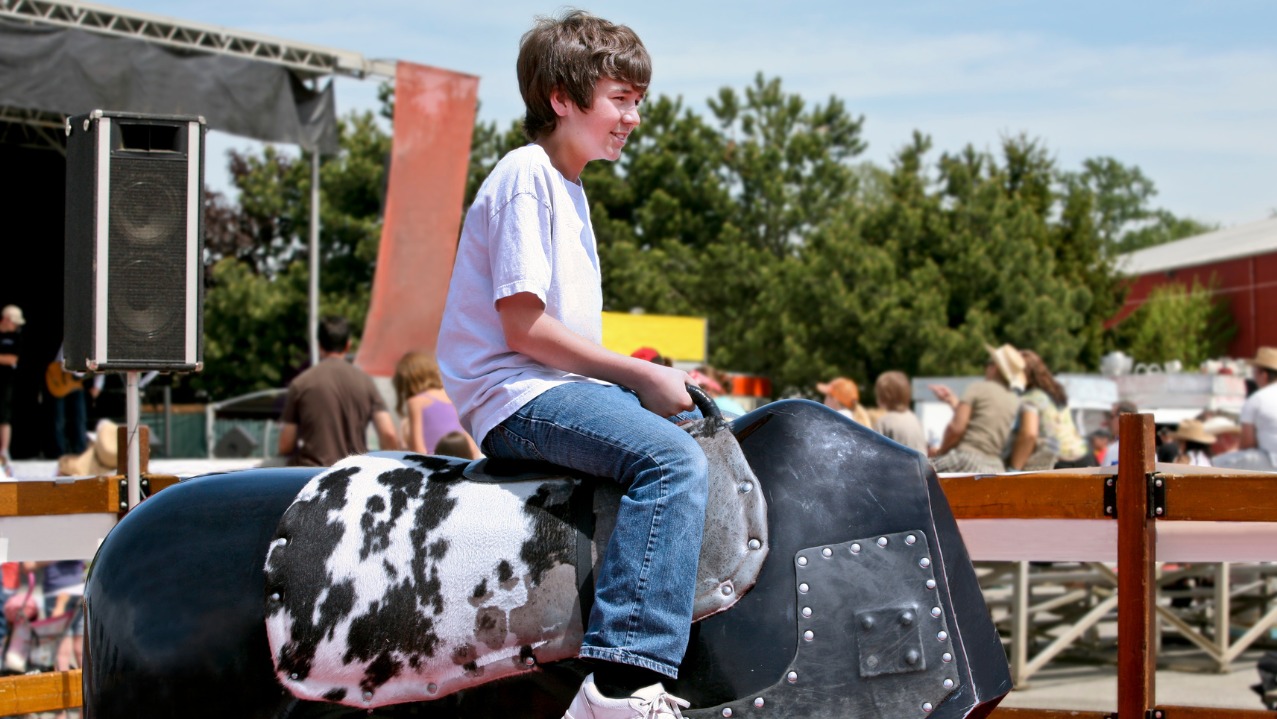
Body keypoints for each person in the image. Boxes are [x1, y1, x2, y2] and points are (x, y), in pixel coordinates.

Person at [436, 11, 704, 717]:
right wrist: (639, 373)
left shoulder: (568, 186)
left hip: (550, 386)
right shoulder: (527, 174)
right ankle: (616, 685)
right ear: (562, 98)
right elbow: (523, 327)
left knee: (708, 428)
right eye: (621, 97)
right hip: (514, 394)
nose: (633, 117)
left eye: (636, 101)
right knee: (671, 463)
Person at [277, 316, 400, 467]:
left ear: (319, 346)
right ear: (348, 345)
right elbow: (389, 433)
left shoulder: (301, 383)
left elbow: (285, 444)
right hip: (353, 474)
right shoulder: (366, 383)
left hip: (312, 475)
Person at [928, 344, 1024, 474]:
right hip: (994, 467)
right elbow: (983, 418)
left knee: (916, 474)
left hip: (966, 459)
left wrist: (940, 452)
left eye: (987, 364)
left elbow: (956, 429)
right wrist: (954, 402)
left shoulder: (977, 388)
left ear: (995, 367)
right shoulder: (1013, 400)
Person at [1011, 350, 1094, 470]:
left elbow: (1029, 434)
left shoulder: (1030, 398)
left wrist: (1014, 469)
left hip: (1060, 462)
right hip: (1084, 457)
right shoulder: (1055, 392)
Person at [391, 351, 479, 457]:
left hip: (434, 460)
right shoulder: (449, 394)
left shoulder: (416, 402)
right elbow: (466, 433)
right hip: (462, 455)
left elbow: (417, 447)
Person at [1238, 346, 1277, 467]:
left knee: (1216, 463)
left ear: (1263, 375)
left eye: (1254, 372)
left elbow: (1247, 444)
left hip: (1271, 460)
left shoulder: (1256, 400)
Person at [871, 370, 927, 454]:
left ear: (884, 396)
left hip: (895, 467)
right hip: (918, 466)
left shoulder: (884, 422)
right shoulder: (913, 418)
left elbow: (874, 452)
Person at [0, 305, 24, 475]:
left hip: (5, 381)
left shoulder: (15, 337)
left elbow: (12, 359)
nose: (16, 326)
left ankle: (4, 450)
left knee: (4, 415)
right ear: (6, 319)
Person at [1102, 400, 1139, 466]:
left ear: (1122, 417)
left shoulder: (1119, 448)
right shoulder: (1146, 447)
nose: (1109, 421)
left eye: (1111, 416)